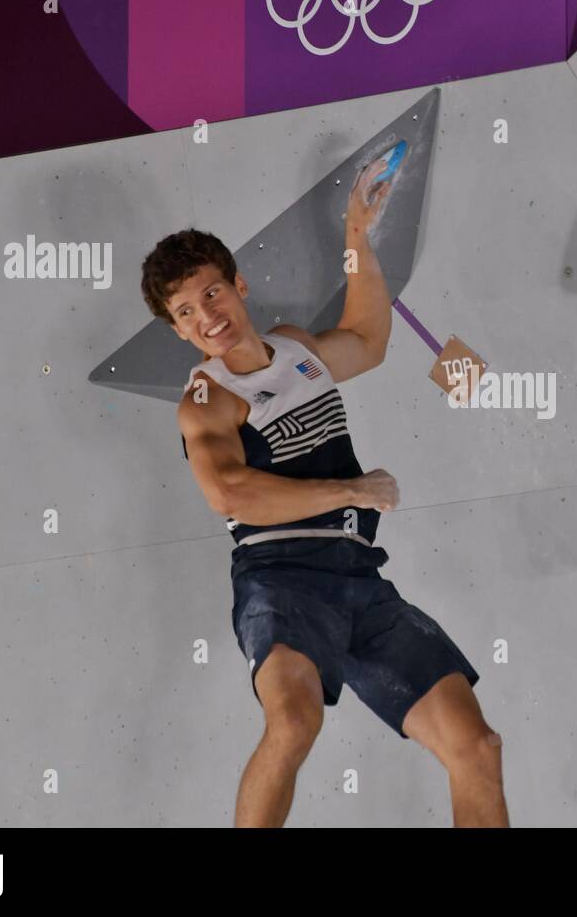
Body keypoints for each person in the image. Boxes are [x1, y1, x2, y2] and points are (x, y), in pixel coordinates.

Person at [139, 161, 508, 827]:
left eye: (212, 294)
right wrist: (351, 489)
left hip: (360, 583)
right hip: (280, 584)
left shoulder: (294, 348)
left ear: (238, 286)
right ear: (178, 330)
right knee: (294, 721)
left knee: (476, 747)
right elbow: (231, 494)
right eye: (186, 312)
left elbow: (368, 339)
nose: (207, 317)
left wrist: (357, 234)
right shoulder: (206, 400)